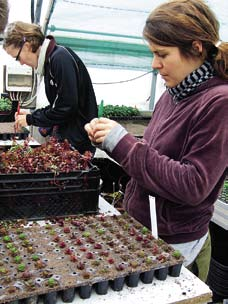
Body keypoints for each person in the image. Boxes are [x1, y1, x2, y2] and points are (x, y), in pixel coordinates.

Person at [85, 0, 228, 282]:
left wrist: (123, 144)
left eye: (162, 53)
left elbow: (194, 184)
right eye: (152, 53)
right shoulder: (173, 93)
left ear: (196, 47)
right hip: (144, 229)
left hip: (176, 245)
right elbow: (156, 153)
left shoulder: (219, 102)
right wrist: (111, 141)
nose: (154, 64)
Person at [3, 21, 98, 155]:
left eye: (17, 57)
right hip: (69, 138)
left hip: (77, 141)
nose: (22, 63)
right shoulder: (51, 62)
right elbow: (58, 105)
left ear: (27, 46)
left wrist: (31, 119)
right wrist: (31, 115)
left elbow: (66, 107)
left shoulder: (59, 58)